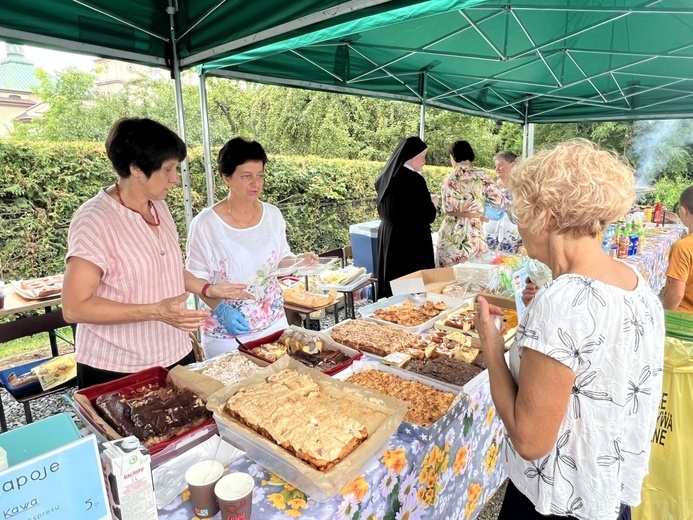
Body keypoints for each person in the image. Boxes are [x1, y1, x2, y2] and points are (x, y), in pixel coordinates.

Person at [474, 140, 664, 520]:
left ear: (544, 216)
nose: (518, 227)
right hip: (602, 491)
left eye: (519, 214)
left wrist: (491, 344)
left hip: (557, 502)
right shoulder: (634, 282)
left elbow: (530, 440)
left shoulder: (563, 301)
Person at [63, 118, 248, 389]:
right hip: (119, 367)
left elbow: (167, 269)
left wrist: (208, 289)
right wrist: (156, 311)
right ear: (136, 168)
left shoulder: (158, 207)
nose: (175, 178)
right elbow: (74, 307)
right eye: (168, 169)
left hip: (174, 352)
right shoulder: (95, 219)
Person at [186, 137, 315, 358]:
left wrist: (297, 261)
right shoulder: (206, 224)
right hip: (228, 334)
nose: (256, 183)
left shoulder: (272, 215)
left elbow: (282, 257)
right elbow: (196, 279)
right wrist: (221, 309)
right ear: (226, 177)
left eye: (260, 175)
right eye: (246, 176)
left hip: (274, 322)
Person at [374, 136, 437, 299]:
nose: (424, 161)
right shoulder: (415, 180)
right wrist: (433, 203)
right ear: (413, 156)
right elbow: (428, 215)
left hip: (389, 236)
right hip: (410, 241)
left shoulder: (386, 178)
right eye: (423, 156)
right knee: (410, 288)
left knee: (391, 282)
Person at [436, 140, 505, 267]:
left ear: (454, 156)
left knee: (447, 278)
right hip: (472, 232)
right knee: (471, 276)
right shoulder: (482, 175)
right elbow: (499, 201)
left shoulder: (447, 178)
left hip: (448, 231)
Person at [484, 150, 522, 252]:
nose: (497, 169)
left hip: (512, 241)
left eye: (501, 165)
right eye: (495, 166)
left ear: (513, 165)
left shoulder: (521, 188)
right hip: (489, 240)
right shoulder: (490, 187)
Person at [663, 185, 693, 311]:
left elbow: (676, 295)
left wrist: (661, 318)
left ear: (683, 211)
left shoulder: (683, 247)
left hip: (683, 320)